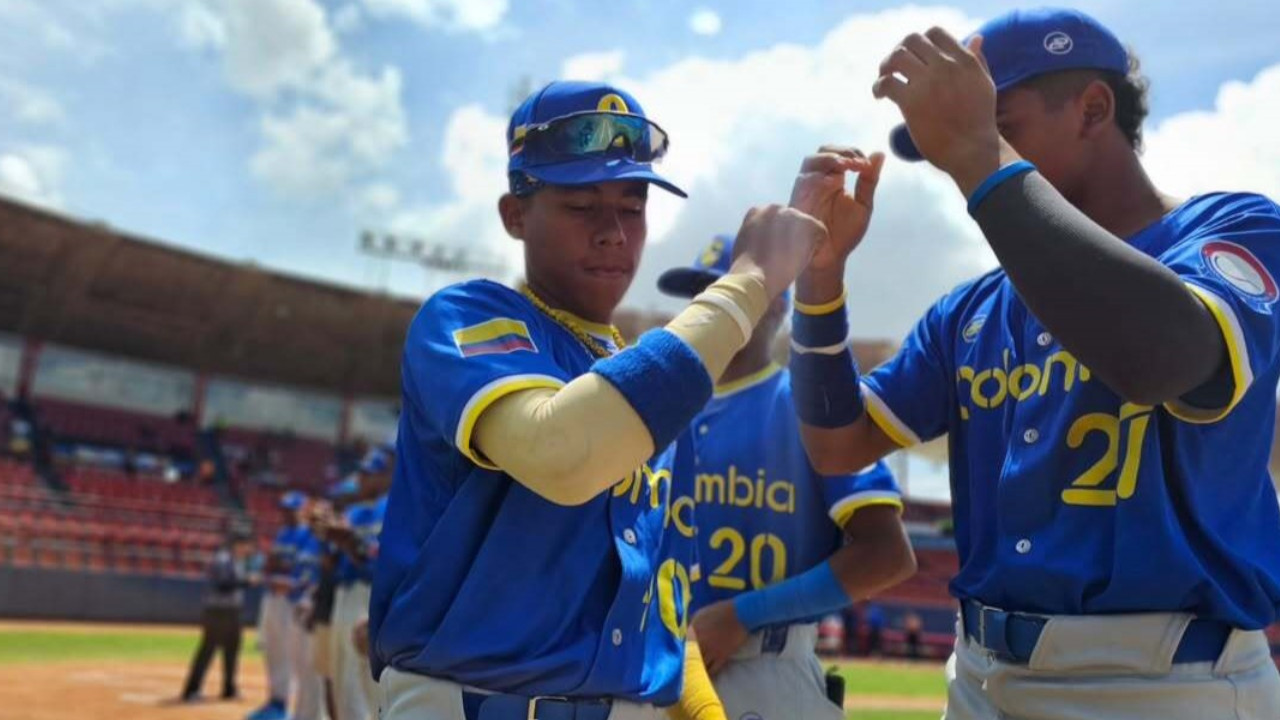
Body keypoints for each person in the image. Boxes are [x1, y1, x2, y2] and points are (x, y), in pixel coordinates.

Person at [790, 7, 1280, 719]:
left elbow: (1163, 362)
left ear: (1092, 108)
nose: (957, 156)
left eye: (1000, 124)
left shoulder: (1235, 228)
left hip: (1163, 683)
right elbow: (838, 442)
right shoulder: (973, 307)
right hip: (981, 675)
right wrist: (820, 281)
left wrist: (978, 156)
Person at [368, 80, 841, 720]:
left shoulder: (651, 393)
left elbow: (667, 608)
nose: (614, 233)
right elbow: (561, 452)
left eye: (632, 205)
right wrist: (749, 280)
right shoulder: (468, 316)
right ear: (515, 215)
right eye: (581, 206)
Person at [656, 234, 915, 720]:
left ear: (776, 305)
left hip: (765, 666)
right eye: (705, 295)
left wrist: (743, 614)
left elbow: (888, 556)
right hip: (659, 667)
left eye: (732, 291)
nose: (714, 307)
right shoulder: (664, 413)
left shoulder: (812, 407)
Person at [325, 454, 391, 720]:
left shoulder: (391, 506)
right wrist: (329, 537)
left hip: (370, 593)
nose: (362, 479)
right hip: (346, 593)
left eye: (369, 474)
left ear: (385, 476)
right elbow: (332, 563)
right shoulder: (356, 513)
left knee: (366, 678)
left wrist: (350, 543)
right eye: (361, 474)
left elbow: (378, 560)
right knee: (343, 675)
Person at [248, 491, 308, 720]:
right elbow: (272, 564)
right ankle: (275, 699)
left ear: (300, 510)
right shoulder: (283, 533)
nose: (285, 513)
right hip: (273, 596)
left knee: (288, 653)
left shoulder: (305, 535)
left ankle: (285, 704)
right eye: (284, 509)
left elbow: (298, 568)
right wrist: (275, 566)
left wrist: (280, 568)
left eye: (290, 509)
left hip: (290, 601)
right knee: (272, 650)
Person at [182, 530, 256, 702]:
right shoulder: (223, 559)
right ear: (237, 544)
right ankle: (191, 690)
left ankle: (229, 689)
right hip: (217, 611)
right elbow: (223, 584)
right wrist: (247, 581)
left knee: (232, 650)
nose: (248, 549)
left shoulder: (239, 561)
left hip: (233, 611)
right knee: (208, 649)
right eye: (246, 545)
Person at [286, 496, 325, 720]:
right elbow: (297, 572)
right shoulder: (303, 539)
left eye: (317, 516)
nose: (313, 520)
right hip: (298, 606)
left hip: (314, 609)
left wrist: (311, 600)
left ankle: (313, 715)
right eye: (310, 516)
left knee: (313, 671)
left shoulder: (324, 542)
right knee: (299, 668)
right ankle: (300, 714)